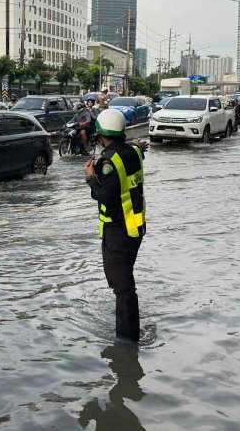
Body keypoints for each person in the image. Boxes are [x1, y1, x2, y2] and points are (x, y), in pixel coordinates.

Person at [84, 108, 146, 342]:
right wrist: (139, 147)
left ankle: (127, 340)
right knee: (125, 282)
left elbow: (105, 196)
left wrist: (90, 177)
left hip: (118, 232)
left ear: (101, 135)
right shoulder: (134, 152)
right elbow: (136, 152)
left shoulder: (108, 162)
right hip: (135, 228)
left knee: (123, 287)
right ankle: (128, 329)